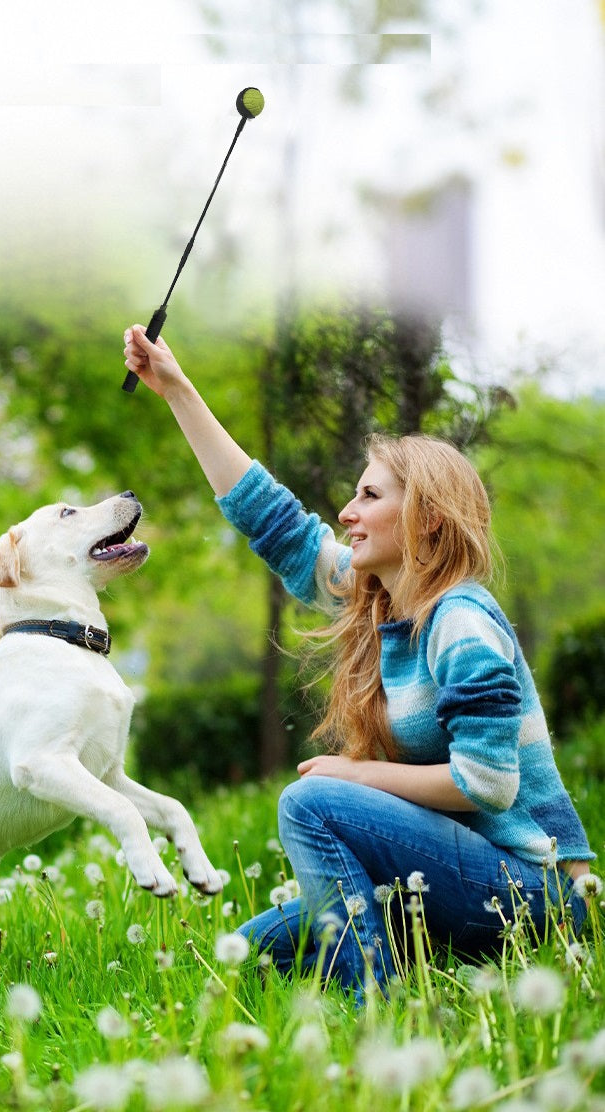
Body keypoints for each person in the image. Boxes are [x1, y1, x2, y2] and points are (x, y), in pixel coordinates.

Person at [122, 324, 594, 998]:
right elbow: (275, 523)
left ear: (427, 517)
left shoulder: (461, 621)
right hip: (452, 873)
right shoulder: (382, 603)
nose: (346, 512)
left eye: (370, 496)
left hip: (533, 893)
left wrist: (358, 775)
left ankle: (376, 1001)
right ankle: (379, 967)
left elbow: (488, 784)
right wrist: (177, 390)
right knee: (249, 953)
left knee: (310, 802)